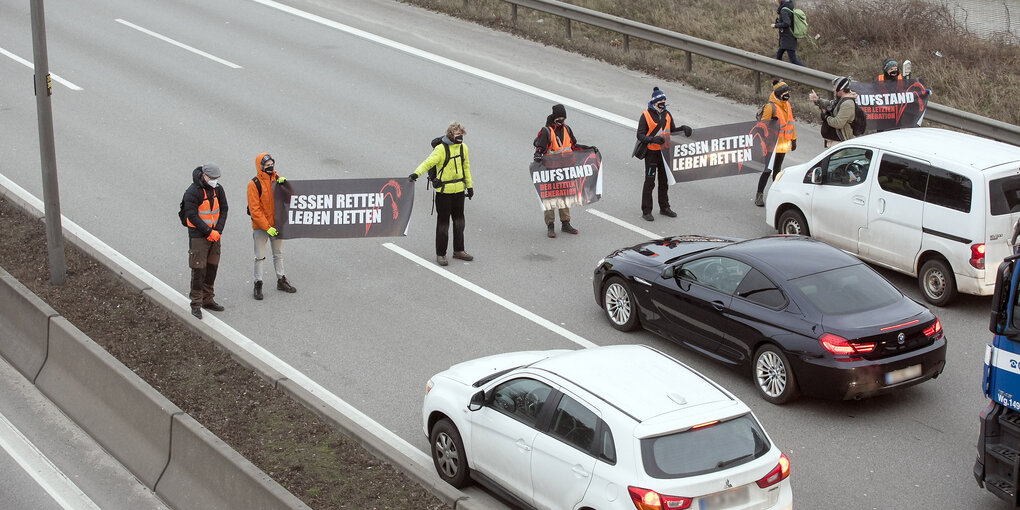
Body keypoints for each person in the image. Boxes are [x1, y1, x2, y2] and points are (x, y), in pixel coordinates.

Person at [409, 122, 474, 266]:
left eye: (461, 134)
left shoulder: (463, 148)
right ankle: (441, 254)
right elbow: (427, 163)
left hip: (458, 191)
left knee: (459, 222)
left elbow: (466, 167)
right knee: (443, 224)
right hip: (444, 193)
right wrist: (415, 174)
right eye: (458, 134)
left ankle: (459, 250)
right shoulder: (440, 149)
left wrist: (469, 186)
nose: (460, 137)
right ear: (451, 134)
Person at [533, 104, 595, 238]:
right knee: (549, 198)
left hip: (564, 171)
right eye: (559, 117)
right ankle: (550, 225)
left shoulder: (567, 129)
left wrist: (588, 149)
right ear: (554, 117)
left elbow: (573, 146)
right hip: (549, 171)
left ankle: (566, 223)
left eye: (563, 117)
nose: (561, 120)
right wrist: (538, 156)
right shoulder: (546, 131)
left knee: (563, 197)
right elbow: (540, 149)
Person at [636, 87, 693, 222]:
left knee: (664, 182)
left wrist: (683, 128)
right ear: (654, 102)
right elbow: (640, 135)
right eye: (660, 100)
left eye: (664, 100)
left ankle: (664, 207)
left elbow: (671, 130)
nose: (663, 102)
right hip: (651, 154)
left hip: (664, 153)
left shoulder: (667, 115)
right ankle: (646, 211)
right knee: (650, 182)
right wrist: (652, 139)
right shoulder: (645, 115)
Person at [247, 153, 296, 300]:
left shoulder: (277, 179)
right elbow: (254, 210)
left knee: (278, 254)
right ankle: (258, 283)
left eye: (271, 164)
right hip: (261, 227)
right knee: (259, 257)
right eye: (267, 165)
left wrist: (286, 186)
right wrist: (267, 227)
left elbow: (290, 199)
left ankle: (281, 280)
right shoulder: (253, 184)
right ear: (260, 166)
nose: (270, 167)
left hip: (276, 224)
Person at [182, 163, 228, 319]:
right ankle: (196, 304)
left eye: (217, 178)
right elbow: (192, 216)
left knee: (212, 268)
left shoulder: (218, 189)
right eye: (213, 178)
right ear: (204, 176)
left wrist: (217, 231)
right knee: (198, 270)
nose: (215, 181)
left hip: (214, 235)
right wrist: (208, 232)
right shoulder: (192, 192)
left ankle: (208, 299)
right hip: (199, 237)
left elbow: (224, 209)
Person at [754, 80, 797, 207]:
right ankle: (759, 195)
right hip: (771, 144)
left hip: (783, 144)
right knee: (768, 170)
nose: (787, 94)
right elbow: (761, 127)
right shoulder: (770, 107)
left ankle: (777, 196)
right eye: (784, 92)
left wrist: (793, 140)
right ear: (778, 93)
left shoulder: (787, 105)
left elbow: (790, 123)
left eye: (788, 92)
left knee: (778, 171)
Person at [809, 76, 858, 147]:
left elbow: (838, 123)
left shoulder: (847, 104)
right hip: (834, 142)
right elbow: (830, 104)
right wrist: (817, 100)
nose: (833, 90)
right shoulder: (840, 99)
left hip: (839, 143)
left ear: (840, 89)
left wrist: (826, 117)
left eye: (835, 87)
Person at [772, 0, 804, 66]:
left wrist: (775, 25)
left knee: (793, 59)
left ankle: (807, 73)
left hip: (788, 38)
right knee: (779, 54)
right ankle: (778, 71)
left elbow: (787, 23)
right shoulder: (789, 7)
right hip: (786, 38)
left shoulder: (784, 10)